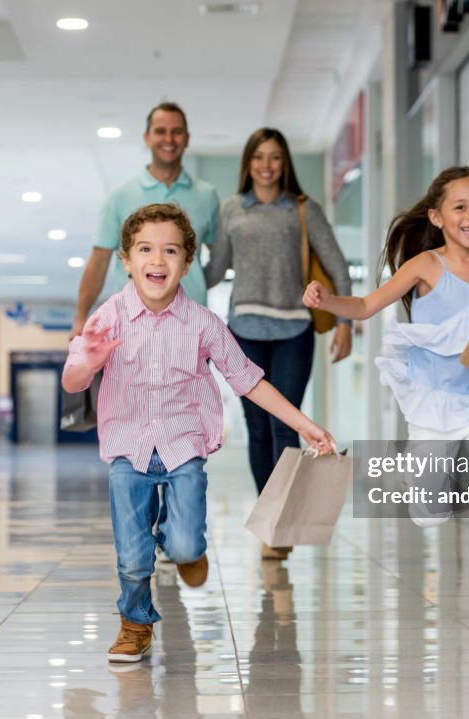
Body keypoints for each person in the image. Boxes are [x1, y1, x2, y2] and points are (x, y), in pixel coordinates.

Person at [63, 203, 334, 663]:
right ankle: (135, 622)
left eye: (170, 251)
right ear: (126, 260)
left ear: (187, 263)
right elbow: (73, 382)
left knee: (187, 543)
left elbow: (249, 381)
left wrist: (305, 426)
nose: (157, 260)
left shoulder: (204, 324)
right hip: (127, 451)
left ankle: (180, 544)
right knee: (132, 556)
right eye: (145, 249)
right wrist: (84, 363)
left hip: (183, 446)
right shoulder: (108, 318)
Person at [303, 166, 469, 635]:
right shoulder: (425, 266)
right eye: (461, 207)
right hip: (432, 404)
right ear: (438, 216)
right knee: (427, 512)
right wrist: (327, 302)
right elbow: (366, 306)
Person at [204, 127, 352, 560]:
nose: (266, 165)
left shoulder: (303, 211)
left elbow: (337, 265)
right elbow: (215, 272)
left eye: (274, 157)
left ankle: (281, 521)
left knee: (285, 426)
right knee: (256, 429)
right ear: (248, 163)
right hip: (244, 330)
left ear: (284, 163)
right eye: (258, 157)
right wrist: (176, 259)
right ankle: (272, 520)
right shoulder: (232, 210)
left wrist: (344, 322)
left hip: (293, 331)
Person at [70, 101, 219, 339]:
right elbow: (99, 262)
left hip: (191, 324)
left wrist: (196, 282)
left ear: (187, 138)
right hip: (131, 323)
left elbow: (218, 256)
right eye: (160, 131)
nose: (168, 139)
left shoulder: (206, 195)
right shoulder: (120, 196)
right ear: (147, 137)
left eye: (176, 131)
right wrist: (80, 317)